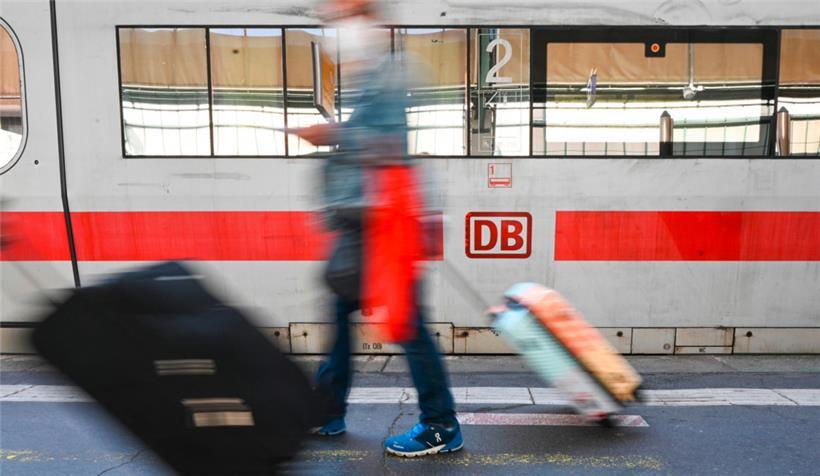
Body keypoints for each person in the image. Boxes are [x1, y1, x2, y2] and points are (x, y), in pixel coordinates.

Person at [293, 0, 463, 458]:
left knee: (406, 321)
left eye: (342, 17)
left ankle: (440, 425)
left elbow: (388, 146)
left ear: (366, 19)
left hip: (381, 225)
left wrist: (328, 135)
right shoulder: (371, 75)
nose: (334, 27)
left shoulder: (388, 74)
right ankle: (328, 411)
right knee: (342, 310)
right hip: (361, 223)